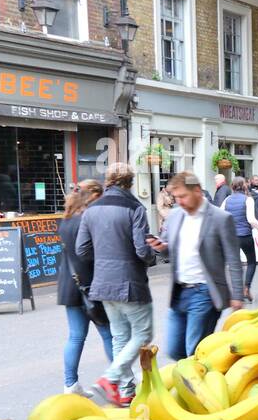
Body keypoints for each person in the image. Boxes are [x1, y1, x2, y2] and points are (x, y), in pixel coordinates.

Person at [76, 164, 155, 405]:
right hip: (130, 281)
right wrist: (155, 255)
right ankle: (109, 379)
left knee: (120, 336)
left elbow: (82, 250)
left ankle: (126, 390)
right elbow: (142, 249)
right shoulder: (135, 208)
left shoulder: (91, 210)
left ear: (108, 181)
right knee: (143, 333)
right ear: (130, 183)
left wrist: (104, 255)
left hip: (102, 283)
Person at [147, 172, 243, 360]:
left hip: (205, 292)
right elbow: (169, 250)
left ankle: (196, 386)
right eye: (176, 198)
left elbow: (234, 259)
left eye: (183, 196)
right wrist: (162, 247)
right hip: (179, 292)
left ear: (197, 191)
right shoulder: (175, 216)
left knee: (195, 352)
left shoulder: (221, 218)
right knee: (174, 350)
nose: (179, 202)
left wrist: (237, 296)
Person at [57, 181, 113, 395]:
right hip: (90, 285)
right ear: (93, 196)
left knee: (76, 336)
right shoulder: (88, 220)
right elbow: (90, 255)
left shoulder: (66, 219)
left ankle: (70, 384)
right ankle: (121, 378)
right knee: (108, 333)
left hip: (70, 285)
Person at [220, 176, 258, 300]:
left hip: (231, 236)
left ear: (232, 186)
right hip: (245, 236)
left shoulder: (227, 200)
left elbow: (221, 216)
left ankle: (237, 292)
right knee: (251, 262)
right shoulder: (248, 199)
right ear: (244, 186)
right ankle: (246, 288)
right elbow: (251, 219)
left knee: (235, 264)